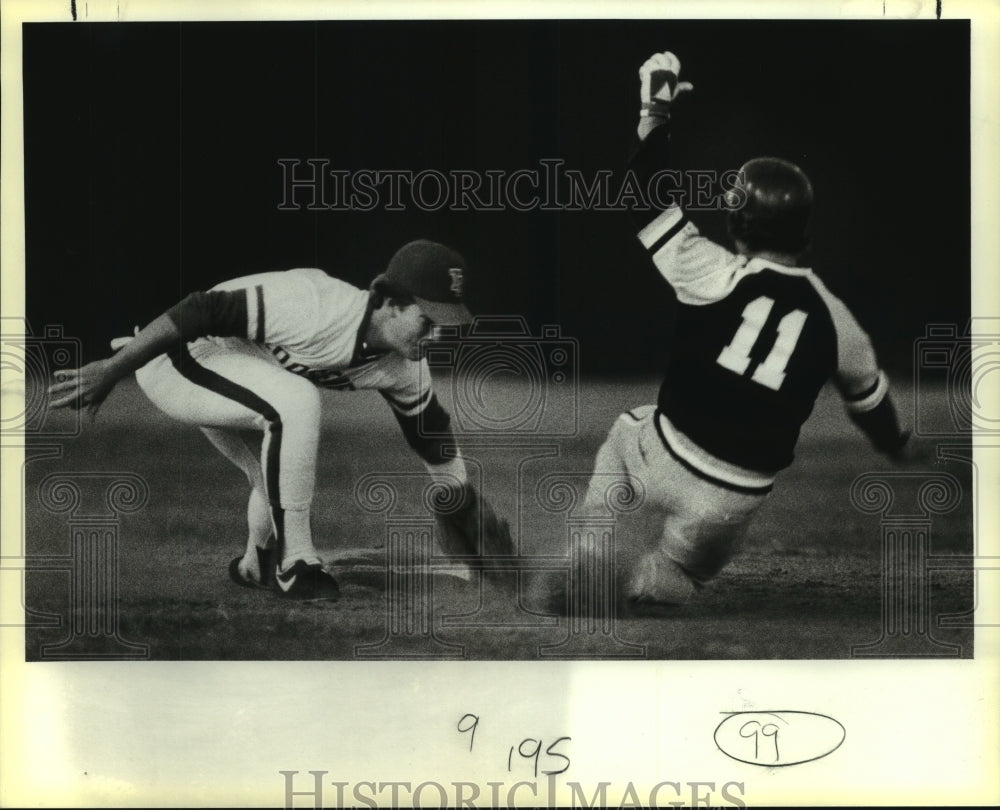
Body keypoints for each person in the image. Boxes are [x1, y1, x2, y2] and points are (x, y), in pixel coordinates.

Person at [581, 51, 913, 610]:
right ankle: (665, 576)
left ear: (738, 221)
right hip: (733, 502)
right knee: (670, 577)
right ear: (804, 229)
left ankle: (587, 558)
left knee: (625, 429)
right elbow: (871, 404)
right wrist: (899, 446)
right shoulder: (838, 320)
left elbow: (643, 195)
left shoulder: (712, 271)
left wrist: (654, 113)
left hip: (665, 455)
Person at [48, 239, 481, 599]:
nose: (438, 336)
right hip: (179, 357)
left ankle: (258, 562)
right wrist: (112, 369)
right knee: (295, 401)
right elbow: (198, 310)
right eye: (428, 321)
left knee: (275, 467)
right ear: (389, 301)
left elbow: (434, 439)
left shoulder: (405, 368)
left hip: (241, 367)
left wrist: (460, 513)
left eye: (447, 324)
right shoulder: (317, 309)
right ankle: (297, 563)